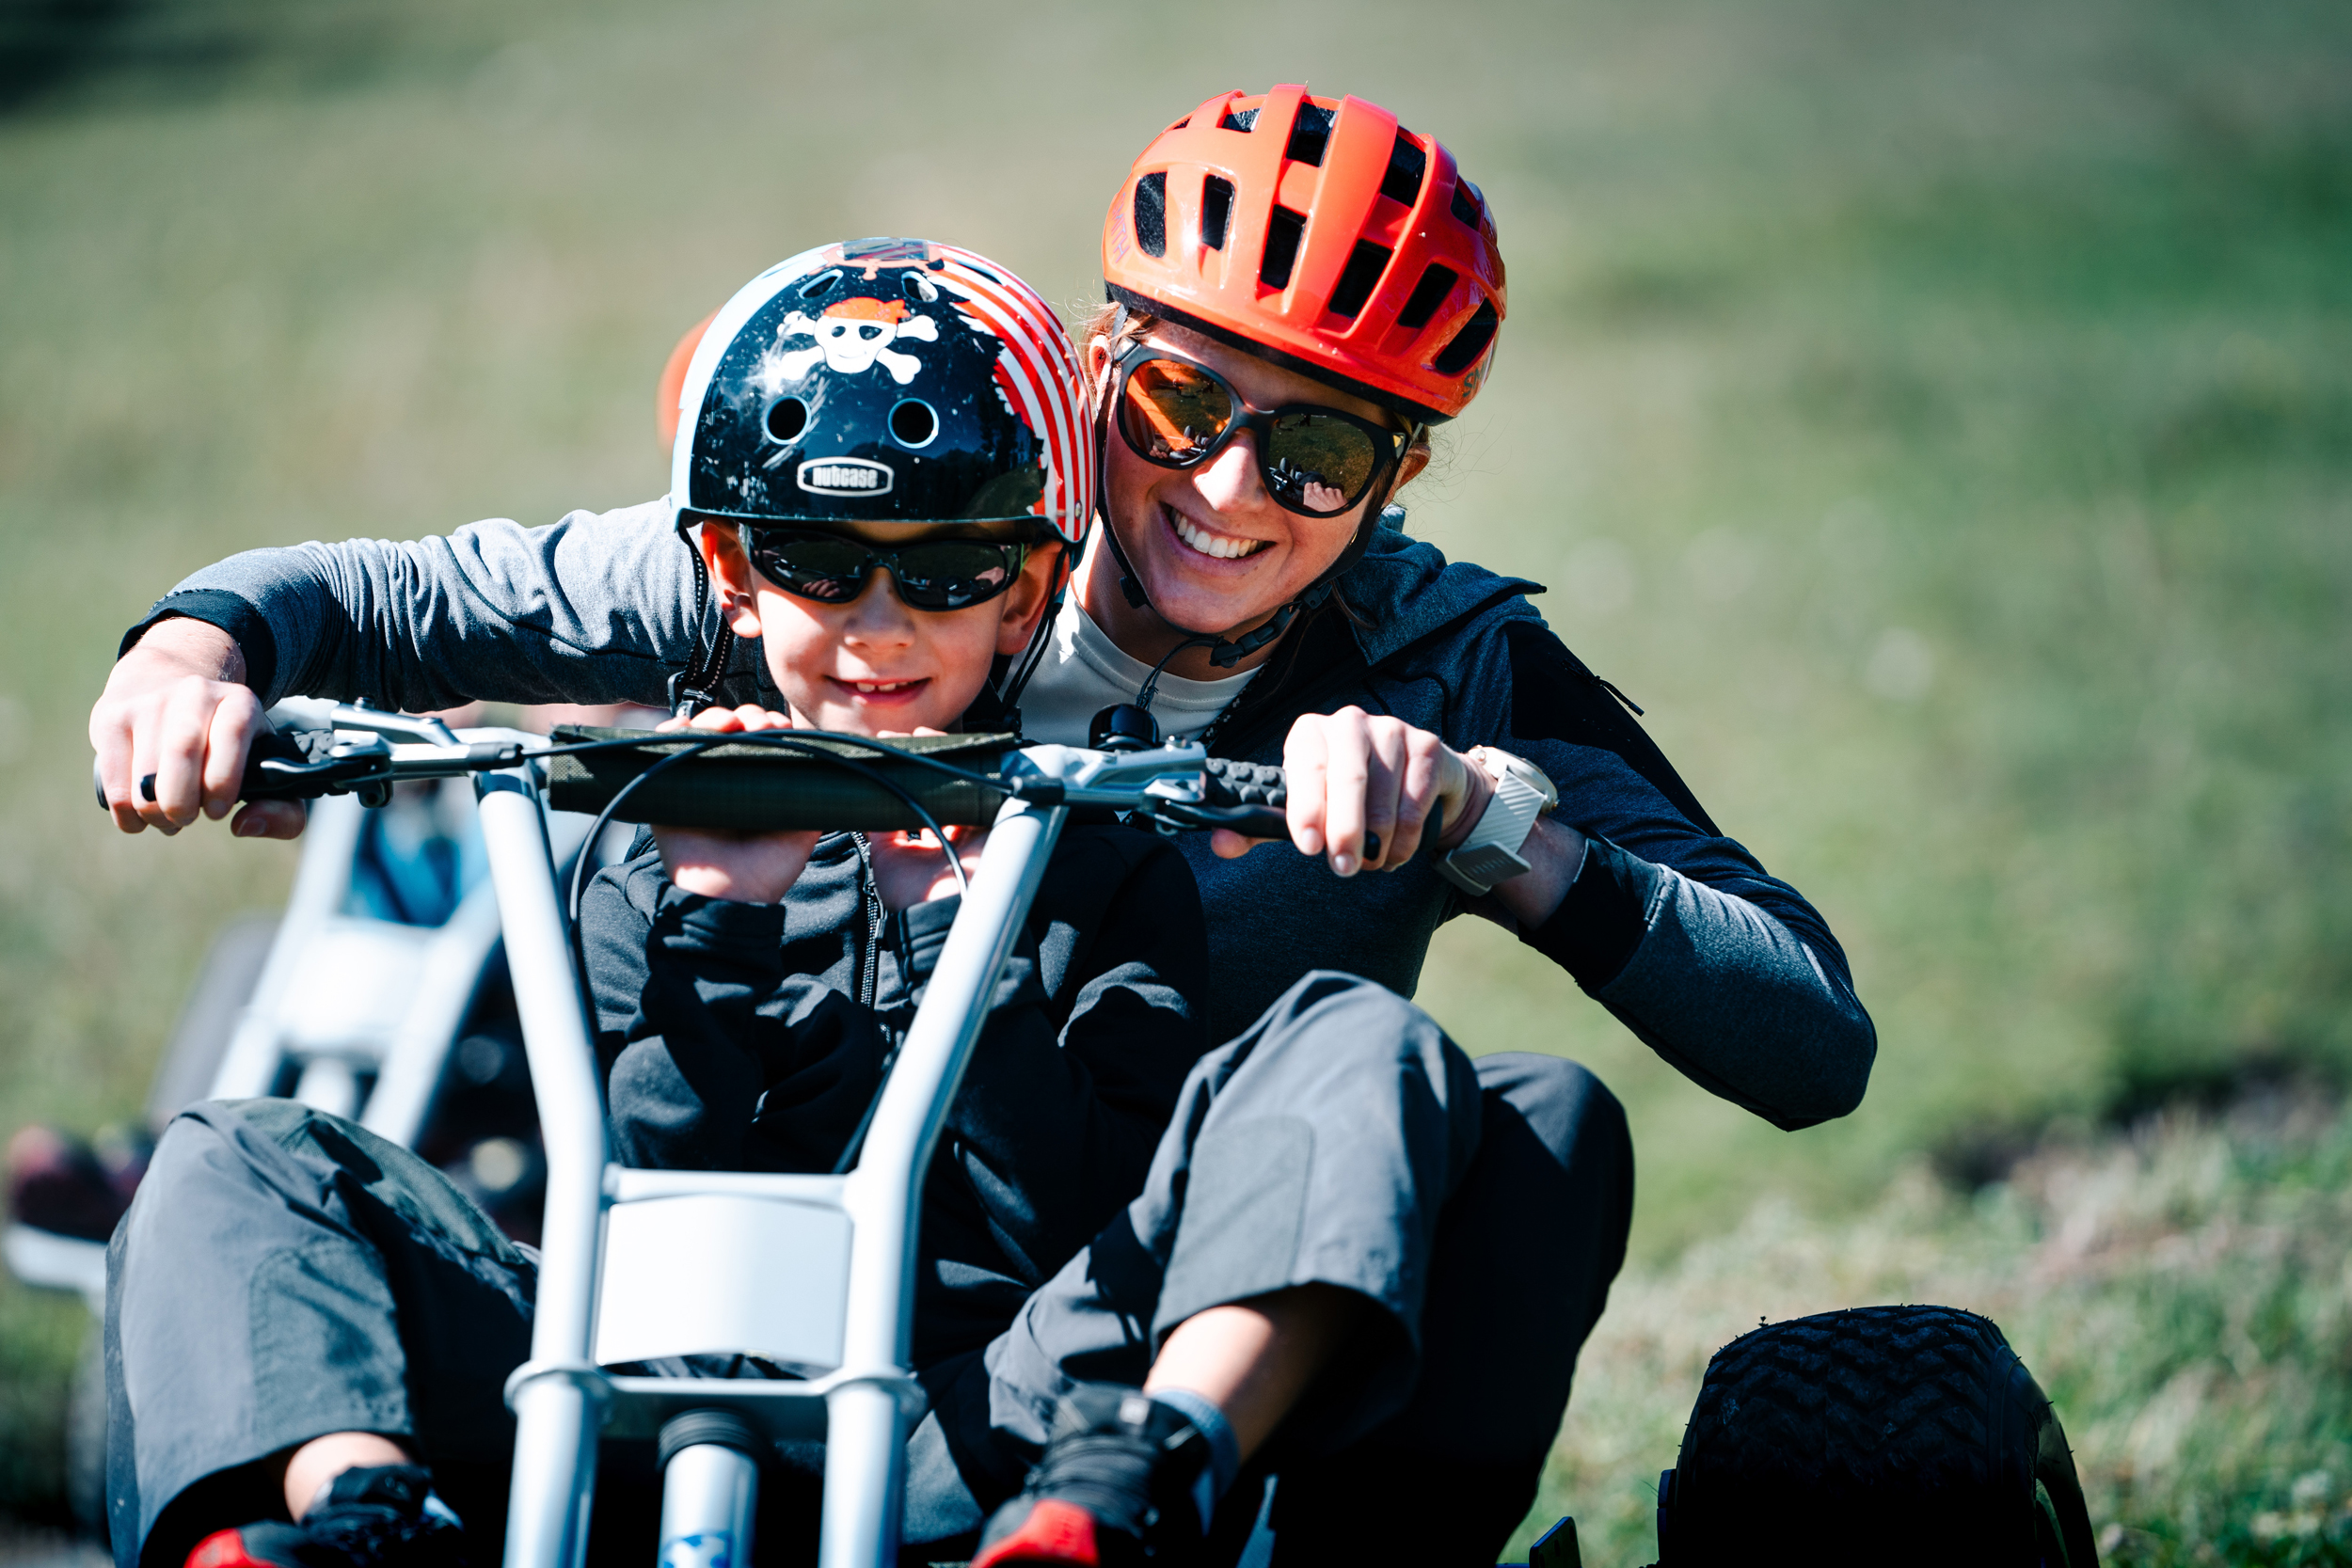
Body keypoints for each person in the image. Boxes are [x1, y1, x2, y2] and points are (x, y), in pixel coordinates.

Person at [91, 88, 1876, 1560]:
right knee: (238, 1155)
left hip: (1116, 1275)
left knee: (1530, 1123)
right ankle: (342, 1523)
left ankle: (1157, 1500)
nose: (1224, 492)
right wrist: (193, 659)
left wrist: (1494, 825)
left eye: (1320, 451)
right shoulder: (899, 500)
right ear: (1097, 372)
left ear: (1402, 474)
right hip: (725, 1219)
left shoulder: (1448, 661)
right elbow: (377, 598)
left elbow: (1809, 1039)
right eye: (1179, 406)